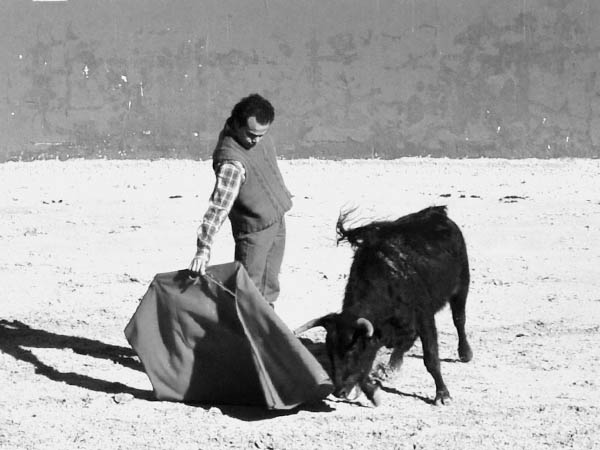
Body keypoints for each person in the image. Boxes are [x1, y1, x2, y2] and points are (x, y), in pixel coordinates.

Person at [189, 93, 293, 306]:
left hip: (276, 219)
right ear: (236, 125)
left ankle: (265, 328)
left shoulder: (255, 135)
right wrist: (203, 248)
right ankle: (241, 336)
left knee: (269, 286)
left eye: (262, 135)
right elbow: (218, 207)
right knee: (248, 292)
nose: (256, 141)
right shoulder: (231, 163)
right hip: (253, 232)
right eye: (251, 135)